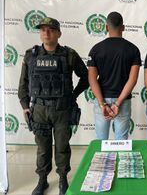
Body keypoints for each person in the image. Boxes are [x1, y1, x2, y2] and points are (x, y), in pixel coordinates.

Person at [18, 17, 89, 195]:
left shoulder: (69, 55)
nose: (46, 33)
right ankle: (42, 181)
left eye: (50, 29)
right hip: (39, 109)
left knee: (62, 146)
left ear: (58, 33)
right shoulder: (31, 55)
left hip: (62, 110)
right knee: (42, 148)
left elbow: (86, 77)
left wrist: (73, 96)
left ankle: (63, 179)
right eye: (42, 30)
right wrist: (25, 106)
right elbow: (23, 83)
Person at [87, 11, 141, 140]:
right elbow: (132, 80)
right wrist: (117, 103)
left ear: (106, 27)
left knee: (101, 141)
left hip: (102, 99)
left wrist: (102, 104)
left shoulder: (96, 49)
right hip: (122, 100)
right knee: (121, 142)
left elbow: (92, 79)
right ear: (123, 27)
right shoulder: (133, 49)